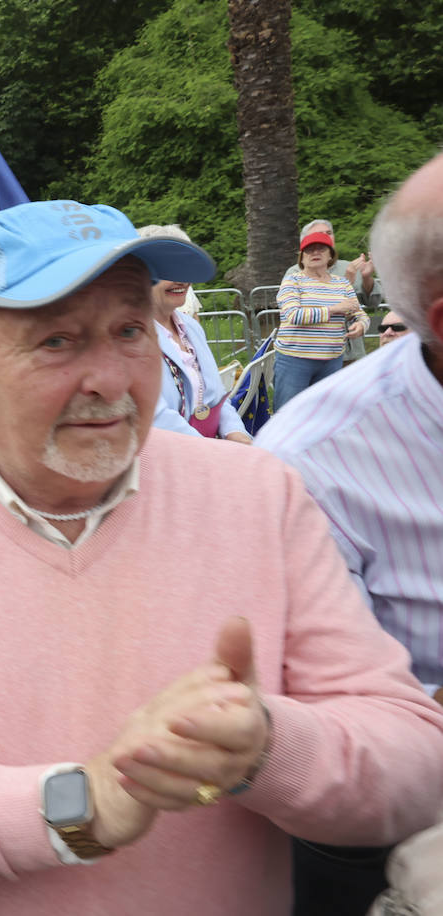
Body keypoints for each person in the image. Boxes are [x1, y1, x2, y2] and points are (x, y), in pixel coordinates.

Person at [0, 201, 443, 916]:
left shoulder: (259, 497)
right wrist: (79, 807)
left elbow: (413, 760)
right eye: (57, 341)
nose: (110, 379)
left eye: (130, 330)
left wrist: (267, 749)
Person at [257, 152, 443, 916]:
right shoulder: (310, 470)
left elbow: (353, 317)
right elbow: (331, 726)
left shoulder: (338, 283)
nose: (319, 256)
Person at [134, 225, 254, 443]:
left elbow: (217, 395)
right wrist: (212, 452)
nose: (182, 279)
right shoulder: (129, 337)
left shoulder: (191, 327)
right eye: (169, 269)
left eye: (185, 267)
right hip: (168, 457)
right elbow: (154, 414)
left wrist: (236, 432)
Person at [273, 231, 368, 407]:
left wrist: (361, 325)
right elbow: (294, 315)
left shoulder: (342, 283)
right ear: (302, 258)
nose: (315, 253)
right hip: (294, 359)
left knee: (325, 413)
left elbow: (359, 312)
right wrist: (334, 309)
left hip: (332, 360)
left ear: (330, 255)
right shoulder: (292, 281)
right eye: (309, 250)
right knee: (288, 412)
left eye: (321, 249)